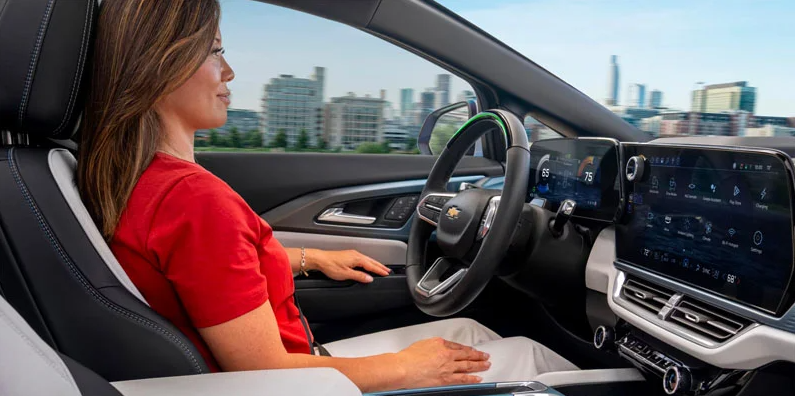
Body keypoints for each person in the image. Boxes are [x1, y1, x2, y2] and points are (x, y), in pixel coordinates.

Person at [77, 0, 577, 392]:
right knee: (534, 361)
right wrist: (404, 369)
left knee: (470, 333)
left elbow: (206, 271)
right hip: (301, 382)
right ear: (162, 64)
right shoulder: (194, 200)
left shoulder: (135, 179)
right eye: (215, 51)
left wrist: (309, 256)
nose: (228, 73)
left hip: (305, 372)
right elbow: (264, 373)